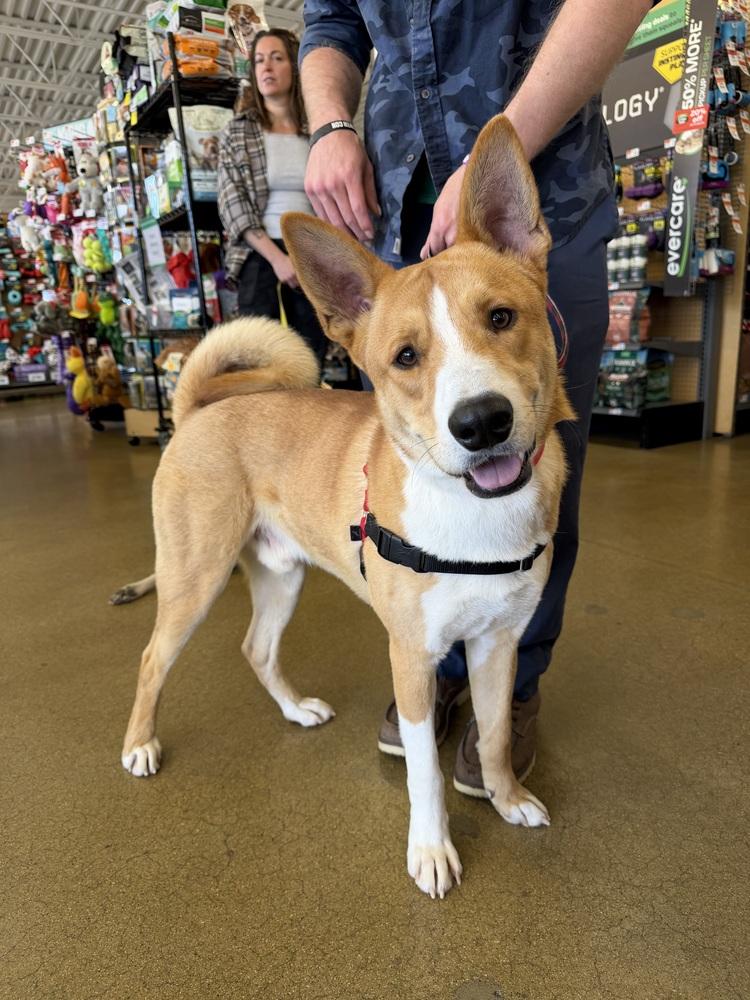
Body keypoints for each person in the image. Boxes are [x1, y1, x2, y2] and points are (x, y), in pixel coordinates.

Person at [299, 0, 652, 792]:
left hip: (540, 167)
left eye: (498, 320)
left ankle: (513, 679)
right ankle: (435, 657)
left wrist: (517, 131)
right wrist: (329, 125)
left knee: (550, 468)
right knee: (422, 461)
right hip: (389, 192)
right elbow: (330, 24)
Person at [217, 28, 328, 365]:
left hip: (311, 250)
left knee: (313, 350)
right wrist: (278, 259)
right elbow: (231, 202)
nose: (266, 67)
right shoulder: (238, 130)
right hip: (259, 254)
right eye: (259, 61)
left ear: (294, 68)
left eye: (277, 58)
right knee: (259, 355)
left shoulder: (318, 128)